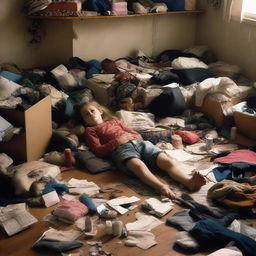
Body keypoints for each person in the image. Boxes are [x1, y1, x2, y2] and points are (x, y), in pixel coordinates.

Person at [78, 101, 206, 199]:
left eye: (92, 111)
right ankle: (161, 186)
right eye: (86, 114)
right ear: (84, 120)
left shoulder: (114, 121)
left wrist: (135, 137)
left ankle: (188, 181)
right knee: (139, 167)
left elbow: (133, 132)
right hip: (121, 150)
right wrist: (117, 142)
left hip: (140, 143)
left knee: (166, 161)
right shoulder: (90, 131)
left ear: (100, 111)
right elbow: (98, 150)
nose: (90, 114)